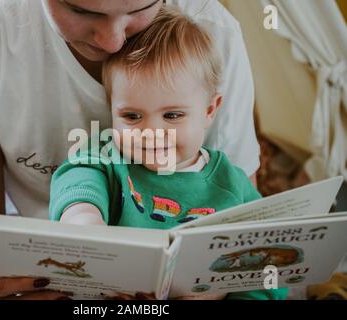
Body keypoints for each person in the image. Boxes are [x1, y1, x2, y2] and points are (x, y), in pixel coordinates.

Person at [0, 0, 260, 300]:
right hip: (42, 270)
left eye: (141, 8)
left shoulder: (213, 33)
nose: (113, 41)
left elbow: (244, 232)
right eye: (83, 11)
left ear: (211, 108)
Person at [49, 7, 288, 300]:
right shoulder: (106, 156)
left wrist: (222, 293)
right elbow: (77, 178)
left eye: (172, 115)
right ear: (111, 108)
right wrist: (83, 219)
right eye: (132, 116)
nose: (151, 132)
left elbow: (268, 272)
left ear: (209, 109)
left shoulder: (231, 183)